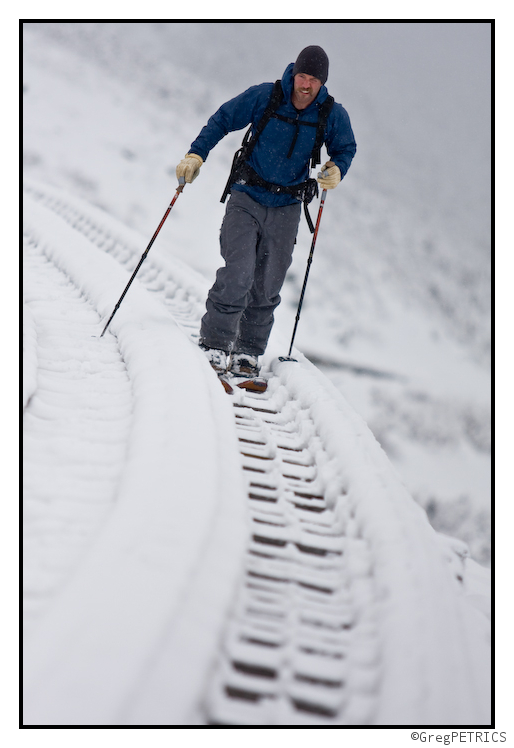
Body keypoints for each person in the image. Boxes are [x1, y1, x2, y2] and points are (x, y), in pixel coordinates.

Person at [176, 45, 356, 380]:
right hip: (247, 195)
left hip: (288, 206)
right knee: (239, 273)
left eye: (313, 79)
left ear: (322, 83)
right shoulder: (266, 96)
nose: (306, 84)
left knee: (268, 283)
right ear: (294, 73)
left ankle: (247, 351)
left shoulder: (331, 114)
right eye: (302, 75)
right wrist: (196, 154)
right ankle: (215, 343)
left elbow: (346, 147)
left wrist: (337, 168)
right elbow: (222, 119)